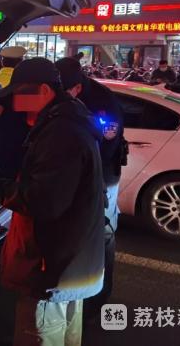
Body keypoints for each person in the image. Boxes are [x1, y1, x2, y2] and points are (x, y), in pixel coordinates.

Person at [0, 58, 105, 346]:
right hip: (72, 260)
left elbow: (43, 201)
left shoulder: (60, 132)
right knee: (67, 334)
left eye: (20, 94)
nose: (15, 103)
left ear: (44, 90)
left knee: (40, 334)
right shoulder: (70, 118)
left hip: (51, 267)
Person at [55, 57, 128, 321]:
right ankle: (78, 288)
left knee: (102, 231)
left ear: (77, 87)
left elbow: (107, 145)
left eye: (65, 90)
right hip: (77, 171)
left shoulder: (102, 101)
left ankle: (99, 296)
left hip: (103, 173)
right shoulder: (65, 95)